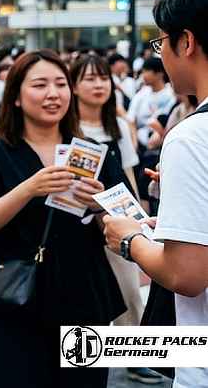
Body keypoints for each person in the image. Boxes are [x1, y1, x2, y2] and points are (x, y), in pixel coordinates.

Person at [0, 50, 126, 387]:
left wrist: (99, 206)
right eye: (40, 85)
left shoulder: (92, 151)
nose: (53, 94)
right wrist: (29, 188)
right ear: (14, 97)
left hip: (84, 295)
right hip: (16, 300)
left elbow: (120, 228)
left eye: (60, 84)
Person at [103, 0, 208, 388]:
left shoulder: (192, 137)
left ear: (186, 41)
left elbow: (187, 274)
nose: (161, 54)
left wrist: (129, 239)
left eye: (161, 42)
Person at [69, 54, 160, 385]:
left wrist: (138, 214)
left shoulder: (119, 125)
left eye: (103, 78)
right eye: (89, 78)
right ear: (74, 86)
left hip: (116, 220)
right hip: (77, 221)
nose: (98, 85)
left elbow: (127, 175)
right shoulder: (66, 126)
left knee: (129, 291)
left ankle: (135, 358)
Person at [128, 57, 176, 149]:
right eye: (143, 72)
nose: (143, 75)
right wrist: (134, 144)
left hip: (163, 142)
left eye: (146, 71)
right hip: (140, 143)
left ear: (159, 74)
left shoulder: (171, 94)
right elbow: (131, 119)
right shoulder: (142, 93)